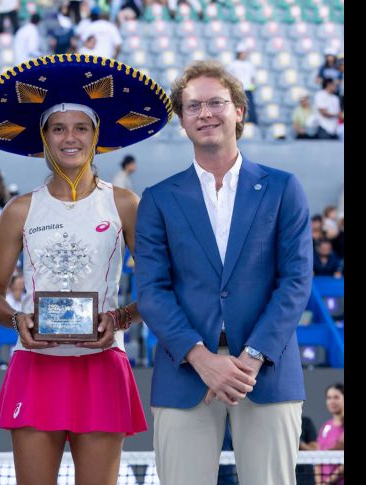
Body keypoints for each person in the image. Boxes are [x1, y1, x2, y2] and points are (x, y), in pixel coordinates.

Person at [0, 55, 168, 485]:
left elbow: (158, 288)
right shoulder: (19, 209)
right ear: (43, 137)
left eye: (81, 127)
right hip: (35, 364)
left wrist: (119, 319)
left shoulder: (125, 204)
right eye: (58, 128)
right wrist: (18, 319)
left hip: (101, 363)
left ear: (98, 135)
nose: (70, 138)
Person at [134, 59, 312, 485]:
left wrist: (250, 358)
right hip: (185, 373)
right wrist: (202, 358)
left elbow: (296, 281)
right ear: (181, 119)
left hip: (266, 372)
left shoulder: (283, 187)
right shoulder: (158, 199)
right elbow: (152, 291)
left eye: (216, 102)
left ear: (239, 111)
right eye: (193, 106)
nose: (205, 113)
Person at [316, 383, 344, 485]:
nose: (332, 401)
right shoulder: (325, 427)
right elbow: (317, 458)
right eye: (329, 398)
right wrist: (319, 483)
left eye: (336, 397)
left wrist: (328, 482)